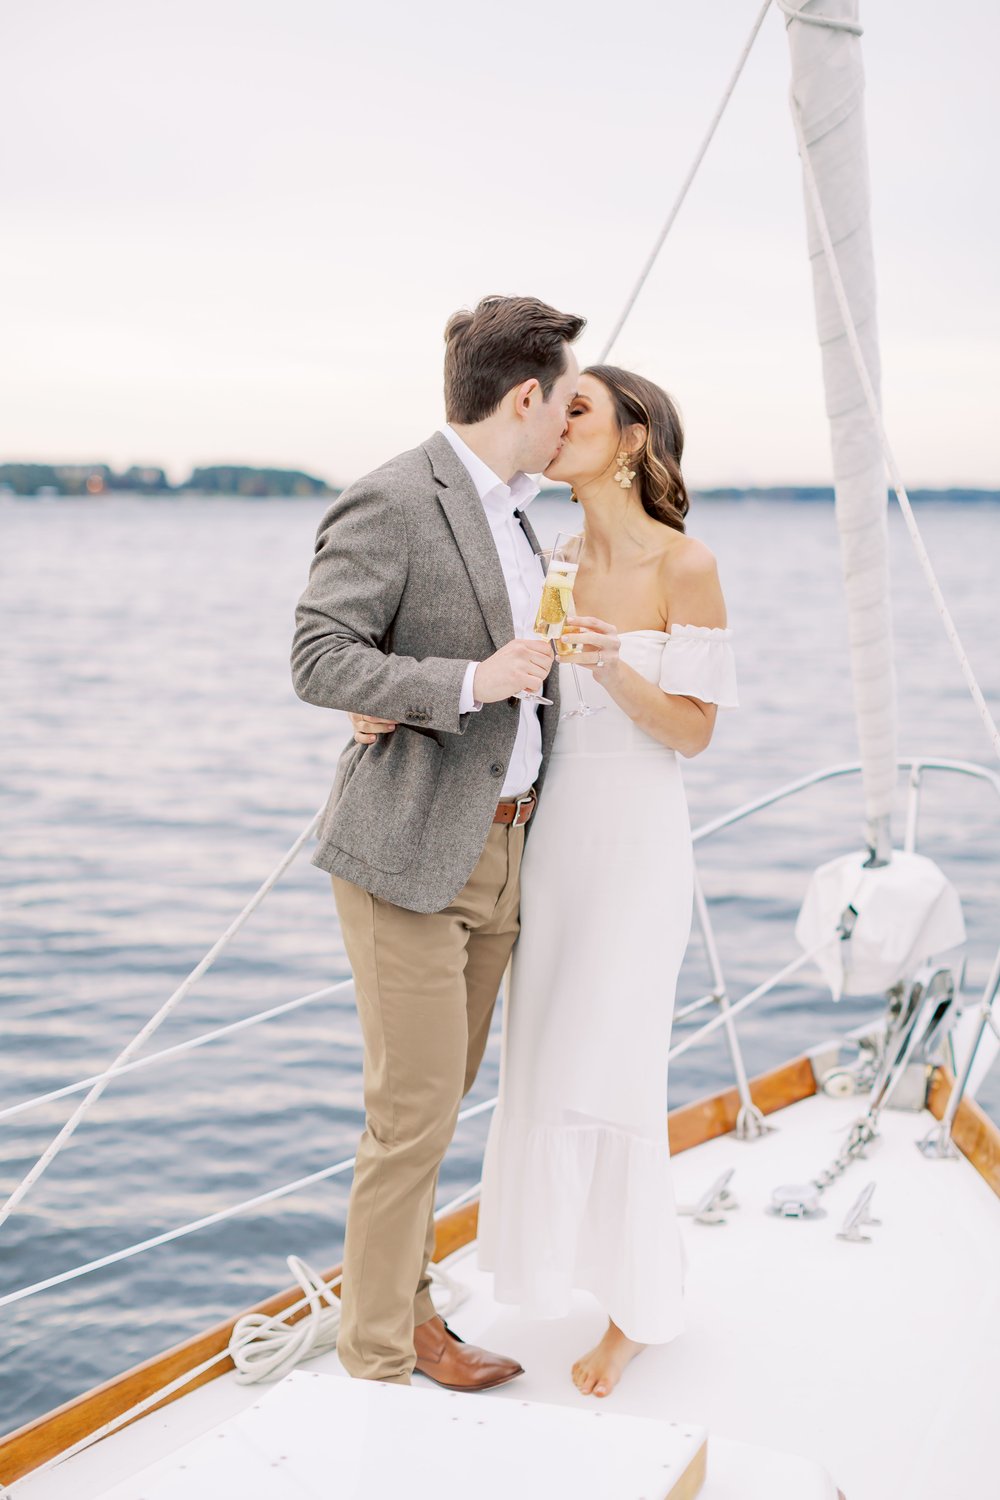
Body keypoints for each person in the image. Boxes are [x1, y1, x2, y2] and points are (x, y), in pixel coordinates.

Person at [350, 363, 739, 1400]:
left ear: (631, 438)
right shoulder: (548, 553)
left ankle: (635, 1314)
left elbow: (693, 737)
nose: (556, 424)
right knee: (547, 1064)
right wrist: (375, 703)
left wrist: (611, 665)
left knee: (619, 1068)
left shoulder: (685, 564)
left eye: (580, 412)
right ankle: (564, 1266)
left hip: (636, 845)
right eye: (555, 406)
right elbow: (484, 674)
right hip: (546, 842)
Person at [291, 294, 584, 1390]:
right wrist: (466, 681)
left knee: (436, 1107)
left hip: (502, 850)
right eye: (563, 401)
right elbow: (319, 658)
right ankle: (378, 1356)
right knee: (411, 1116)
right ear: (525, 395)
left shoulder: (517, 515)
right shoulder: (393, 496)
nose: (566, 423)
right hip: (411, 853)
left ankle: (410, 1315)